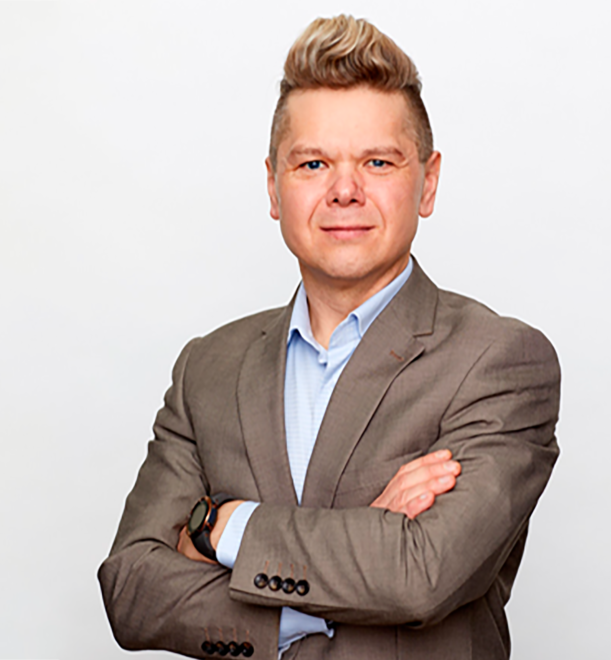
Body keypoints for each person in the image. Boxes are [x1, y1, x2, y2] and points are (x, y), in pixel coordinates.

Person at [98, 15, 561, 660]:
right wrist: (353, 558)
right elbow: (131, 589)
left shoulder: (497, 362)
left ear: (427, 182)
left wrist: (223, 526)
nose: (345, 191)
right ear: (273, 186)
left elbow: (420, 576)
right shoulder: (208, 368)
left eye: (378, 162)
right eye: (313, 163)